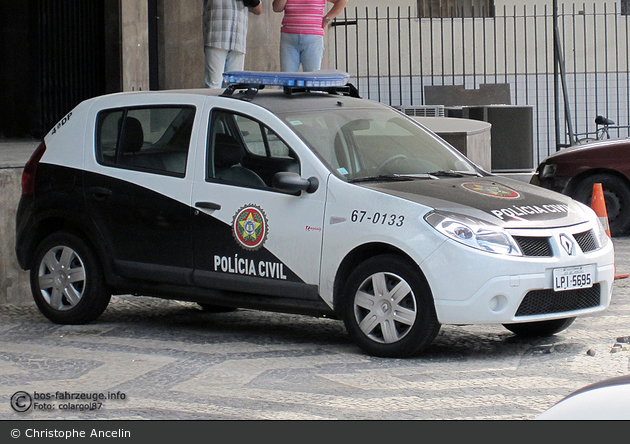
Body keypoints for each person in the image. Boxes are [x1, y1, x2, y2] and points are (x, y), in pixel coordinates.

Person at [272, 0, 348, 72]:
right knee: (287, 78)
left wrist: (327, 18)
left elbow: (342, 1)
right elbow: (277, 8)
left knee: (312, 78)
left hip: (312, 38)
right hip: (289, 38)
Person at [203, 0, 263, 89]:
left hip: (238, 40)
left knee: (234, 87)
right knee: (213, 85)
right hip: (217, 38)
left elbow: (258, 10)